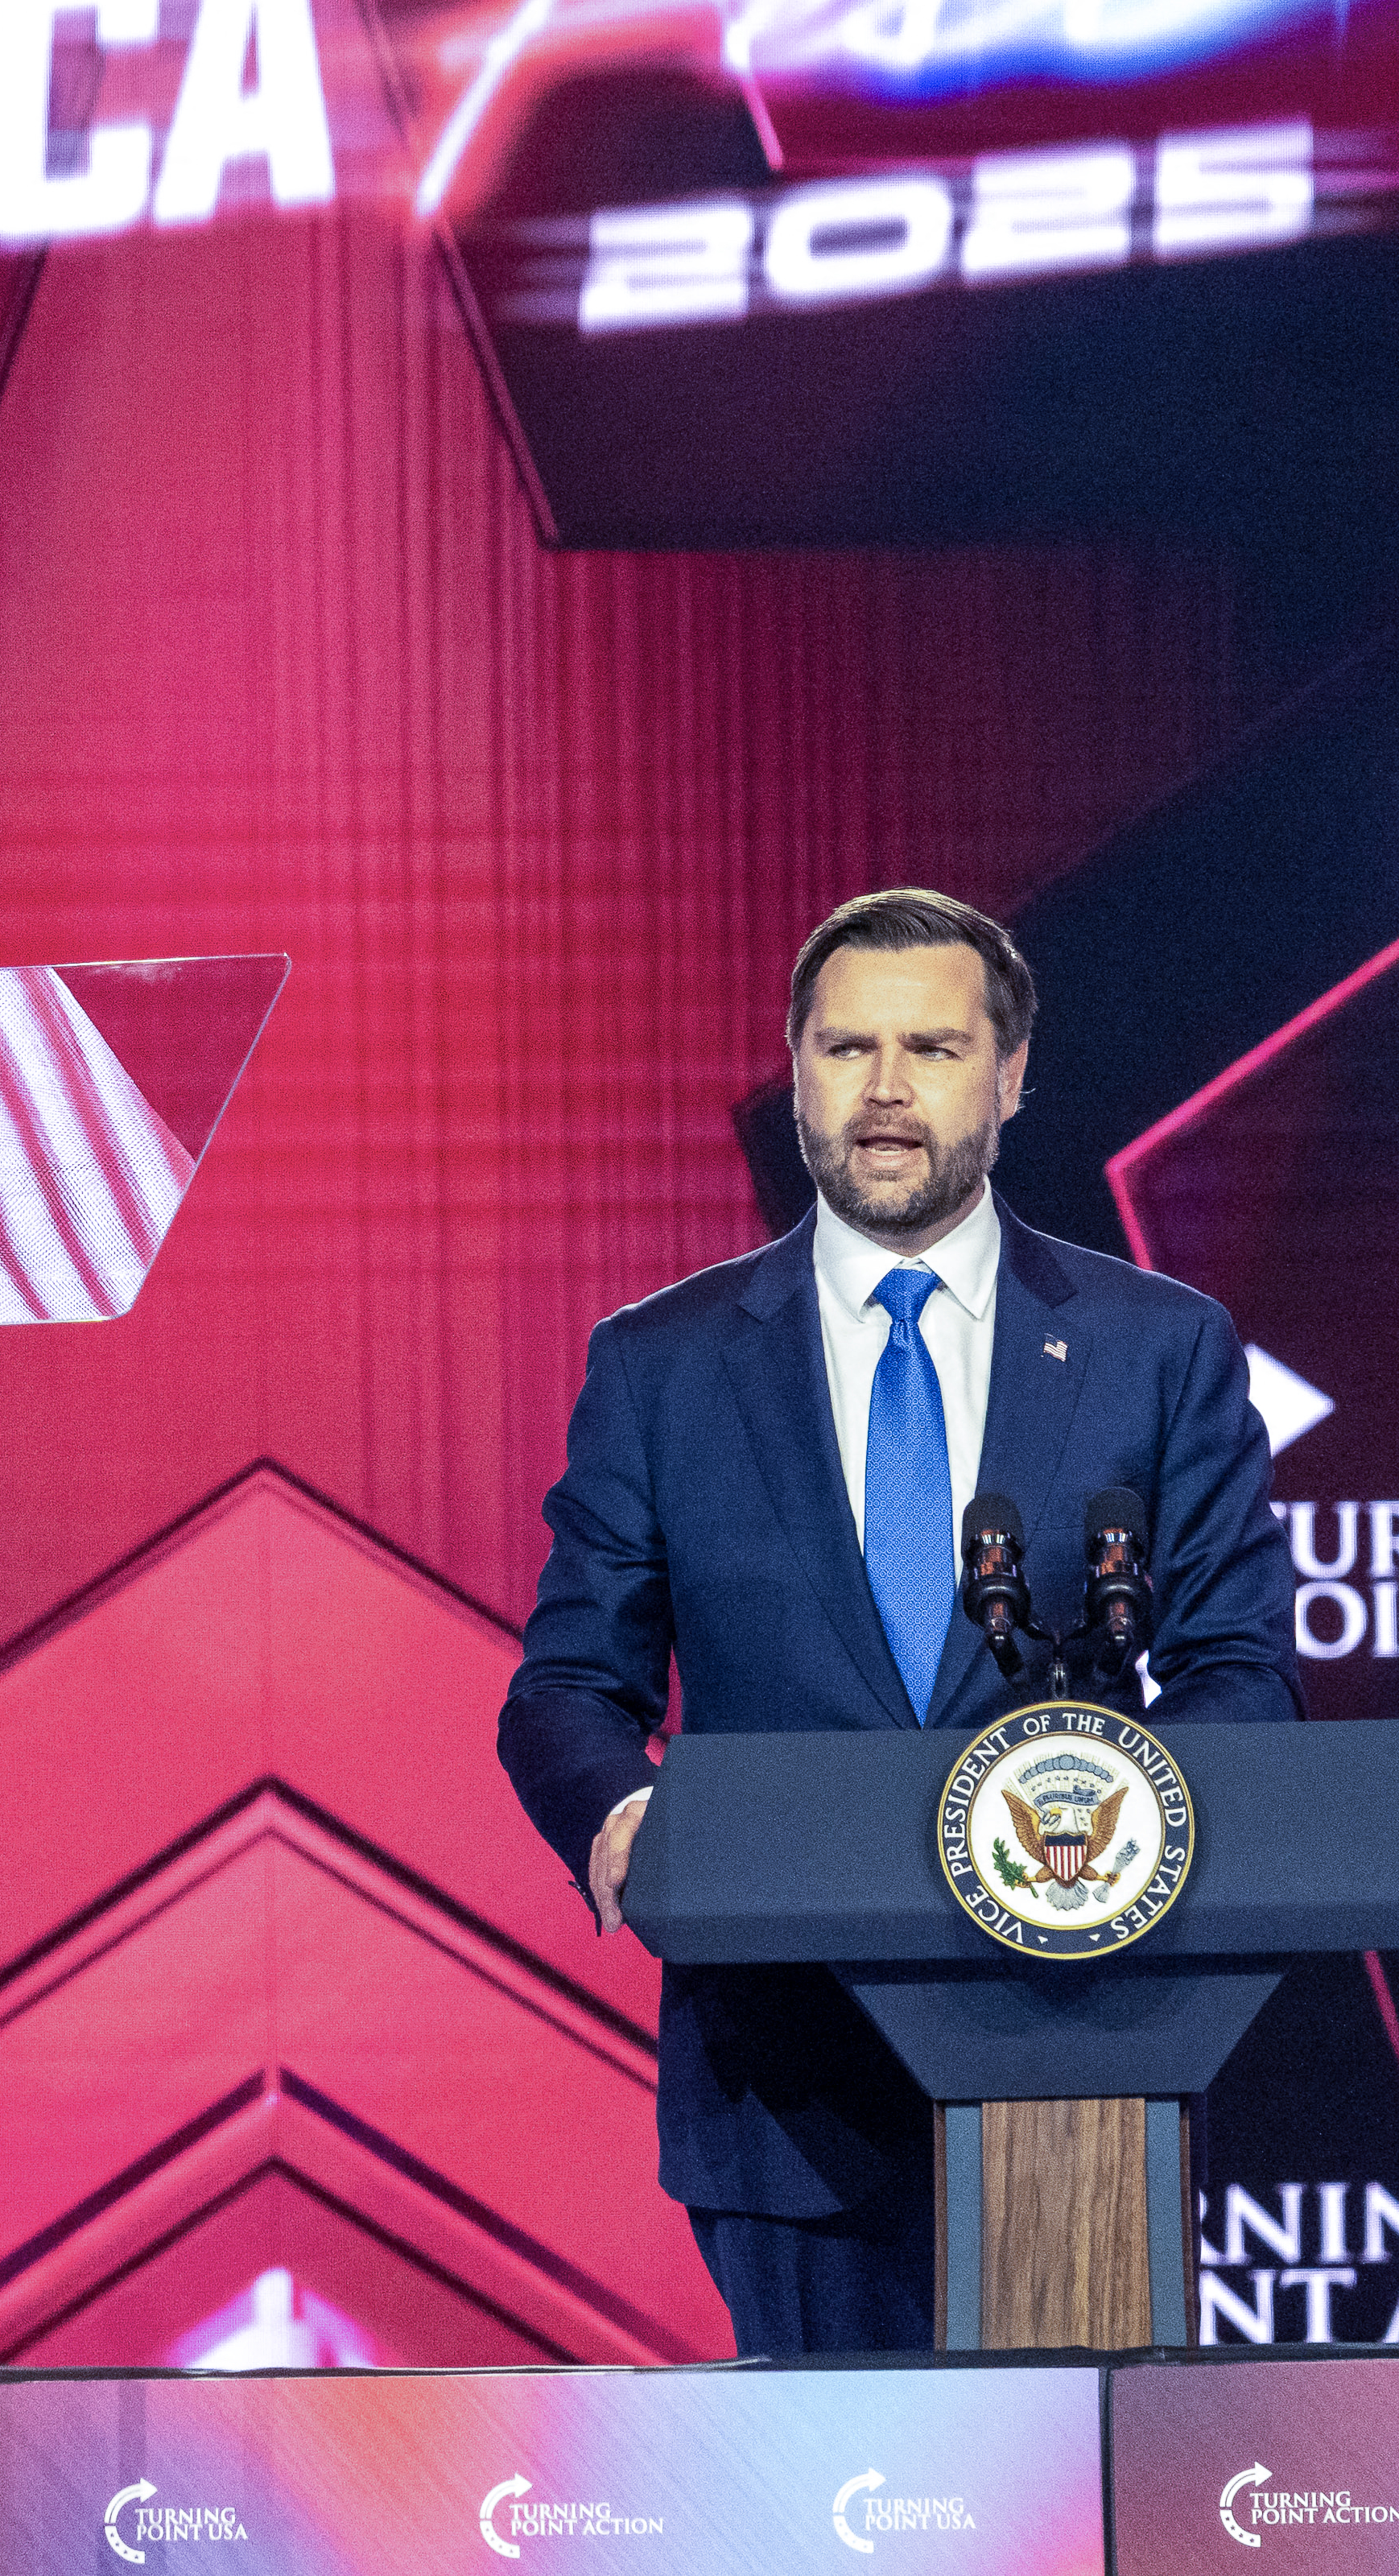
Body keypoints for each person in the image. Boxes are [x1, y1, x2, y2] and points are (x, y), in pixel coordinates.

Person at [497, 887, 1298, 2355]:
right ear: (795, 1070)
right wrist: (620, 1816)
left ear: (1008, 1075)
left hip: (1083, 2055)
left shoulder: (1155, 1347)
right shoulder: (661, 1366)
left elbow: (1240, 1671)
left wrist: (1108, 1842)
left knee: (1062, 2517)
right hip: (784, 2082)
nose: (881, 1091)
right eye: (841, 1047)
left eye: (928, 1047)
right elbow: (564, 1688)